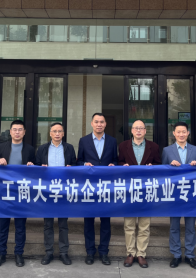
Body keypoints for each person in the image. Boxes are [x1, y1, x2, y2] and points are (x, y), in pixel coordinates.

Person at [0, 120, 36, 269]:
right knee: (3, 225)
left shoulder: (29, 149)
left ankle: (19, 254)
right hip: (4, 191)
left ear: (24, 132)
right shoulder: (1, 147)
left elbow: (35, 166)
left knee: (20, 226)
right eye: (15, 129)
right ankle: (1, 254)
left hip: (21, 191)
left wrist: (32, 165)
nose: (17, 132)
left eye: (20, 130)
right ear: (10, 132)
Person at [118, 120, 161, 269]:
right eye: (136, 128)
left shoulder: (153, 147)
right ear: (131, 130)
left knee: (144, 225)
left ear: (145, 131)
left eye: (141, 128)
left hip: (146, 190)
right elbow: (118, 163)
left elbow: (159, 164)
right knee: (129, 224)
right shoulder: (123, 146)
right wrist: (122, 166)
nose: (138, 131)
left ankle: (141, 254)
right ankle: (130, 253)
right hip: (129, 190)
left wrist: (152, 166)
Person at [76, 113, 118, 266]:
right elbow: (78, 161)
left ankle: (104, 252)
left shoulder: (112, 141)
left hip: (106, 187)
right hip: (89, 186)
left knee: (105, 221)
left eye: (102, 122)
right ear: (92, 124)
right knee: (89, 221)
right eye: (96, 122)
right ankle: (90, 252)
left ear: (105, 124)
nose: (99, 124)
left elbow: (116, 160)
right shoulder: (84, 140)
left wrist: (114, 165)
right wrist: (84, 164)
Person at [161, 122, 196, 271]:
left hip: (191, 194)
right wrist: (169, 166)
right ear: (174, 134)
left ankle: (190, 255)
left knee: (190, 227)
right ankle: (176, 255)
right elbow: (162, 173)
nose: (181, 134)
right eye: (178, 132)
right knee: (174, 226)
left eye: (183, 132)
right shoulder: (167, 151)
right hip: (174, 194)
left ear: (188, 133)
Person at [35, 123, 77, 266]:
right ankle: (49, 252)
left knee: (63, 223)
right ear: (50, 133)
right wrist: (41, 168)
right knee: (48, 224)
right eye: (54, 131)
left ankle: (64, 252)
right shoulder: (42, 148)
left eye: (60, 131)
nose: (57, 133)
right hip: (47, 190)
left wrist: (72, 168)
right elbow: (36, 166)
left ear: (63, 133)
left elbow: (75, 165)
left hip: (64, 189)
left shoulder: (69, 148)